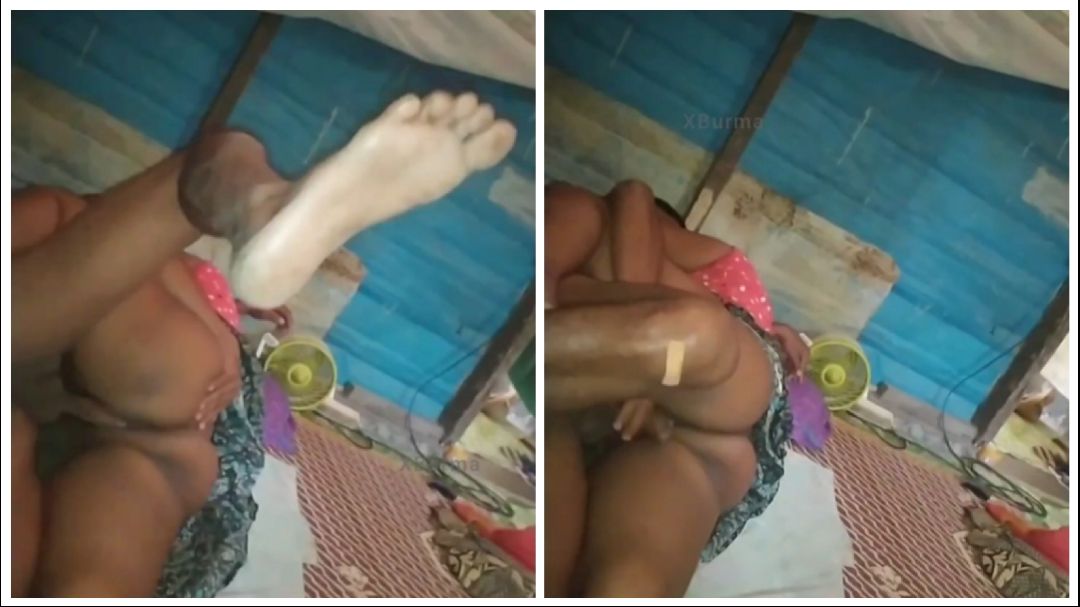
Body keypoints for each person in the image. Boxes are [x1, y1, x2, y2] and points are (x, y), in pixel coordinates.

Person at [10, 91, 516, 596]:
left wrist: (231, 325)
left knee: (83, 223)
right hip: (169, 419)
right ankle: (250, 199)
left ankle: (248, 201)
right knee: (100, 569)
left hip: (128, 358)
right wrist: (227, 336)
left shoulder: (98, 232)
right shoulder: (130, 245)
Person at [544, 179, 805, 597]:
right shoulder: (600, 229)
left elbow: (633, 195)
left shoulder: (717, 276)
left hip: (689, 397)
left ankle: (529, 352)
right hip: (655, 422)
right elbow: (632, 194)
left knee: (700, 337)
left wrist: (645, 379)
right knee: (624, 581)